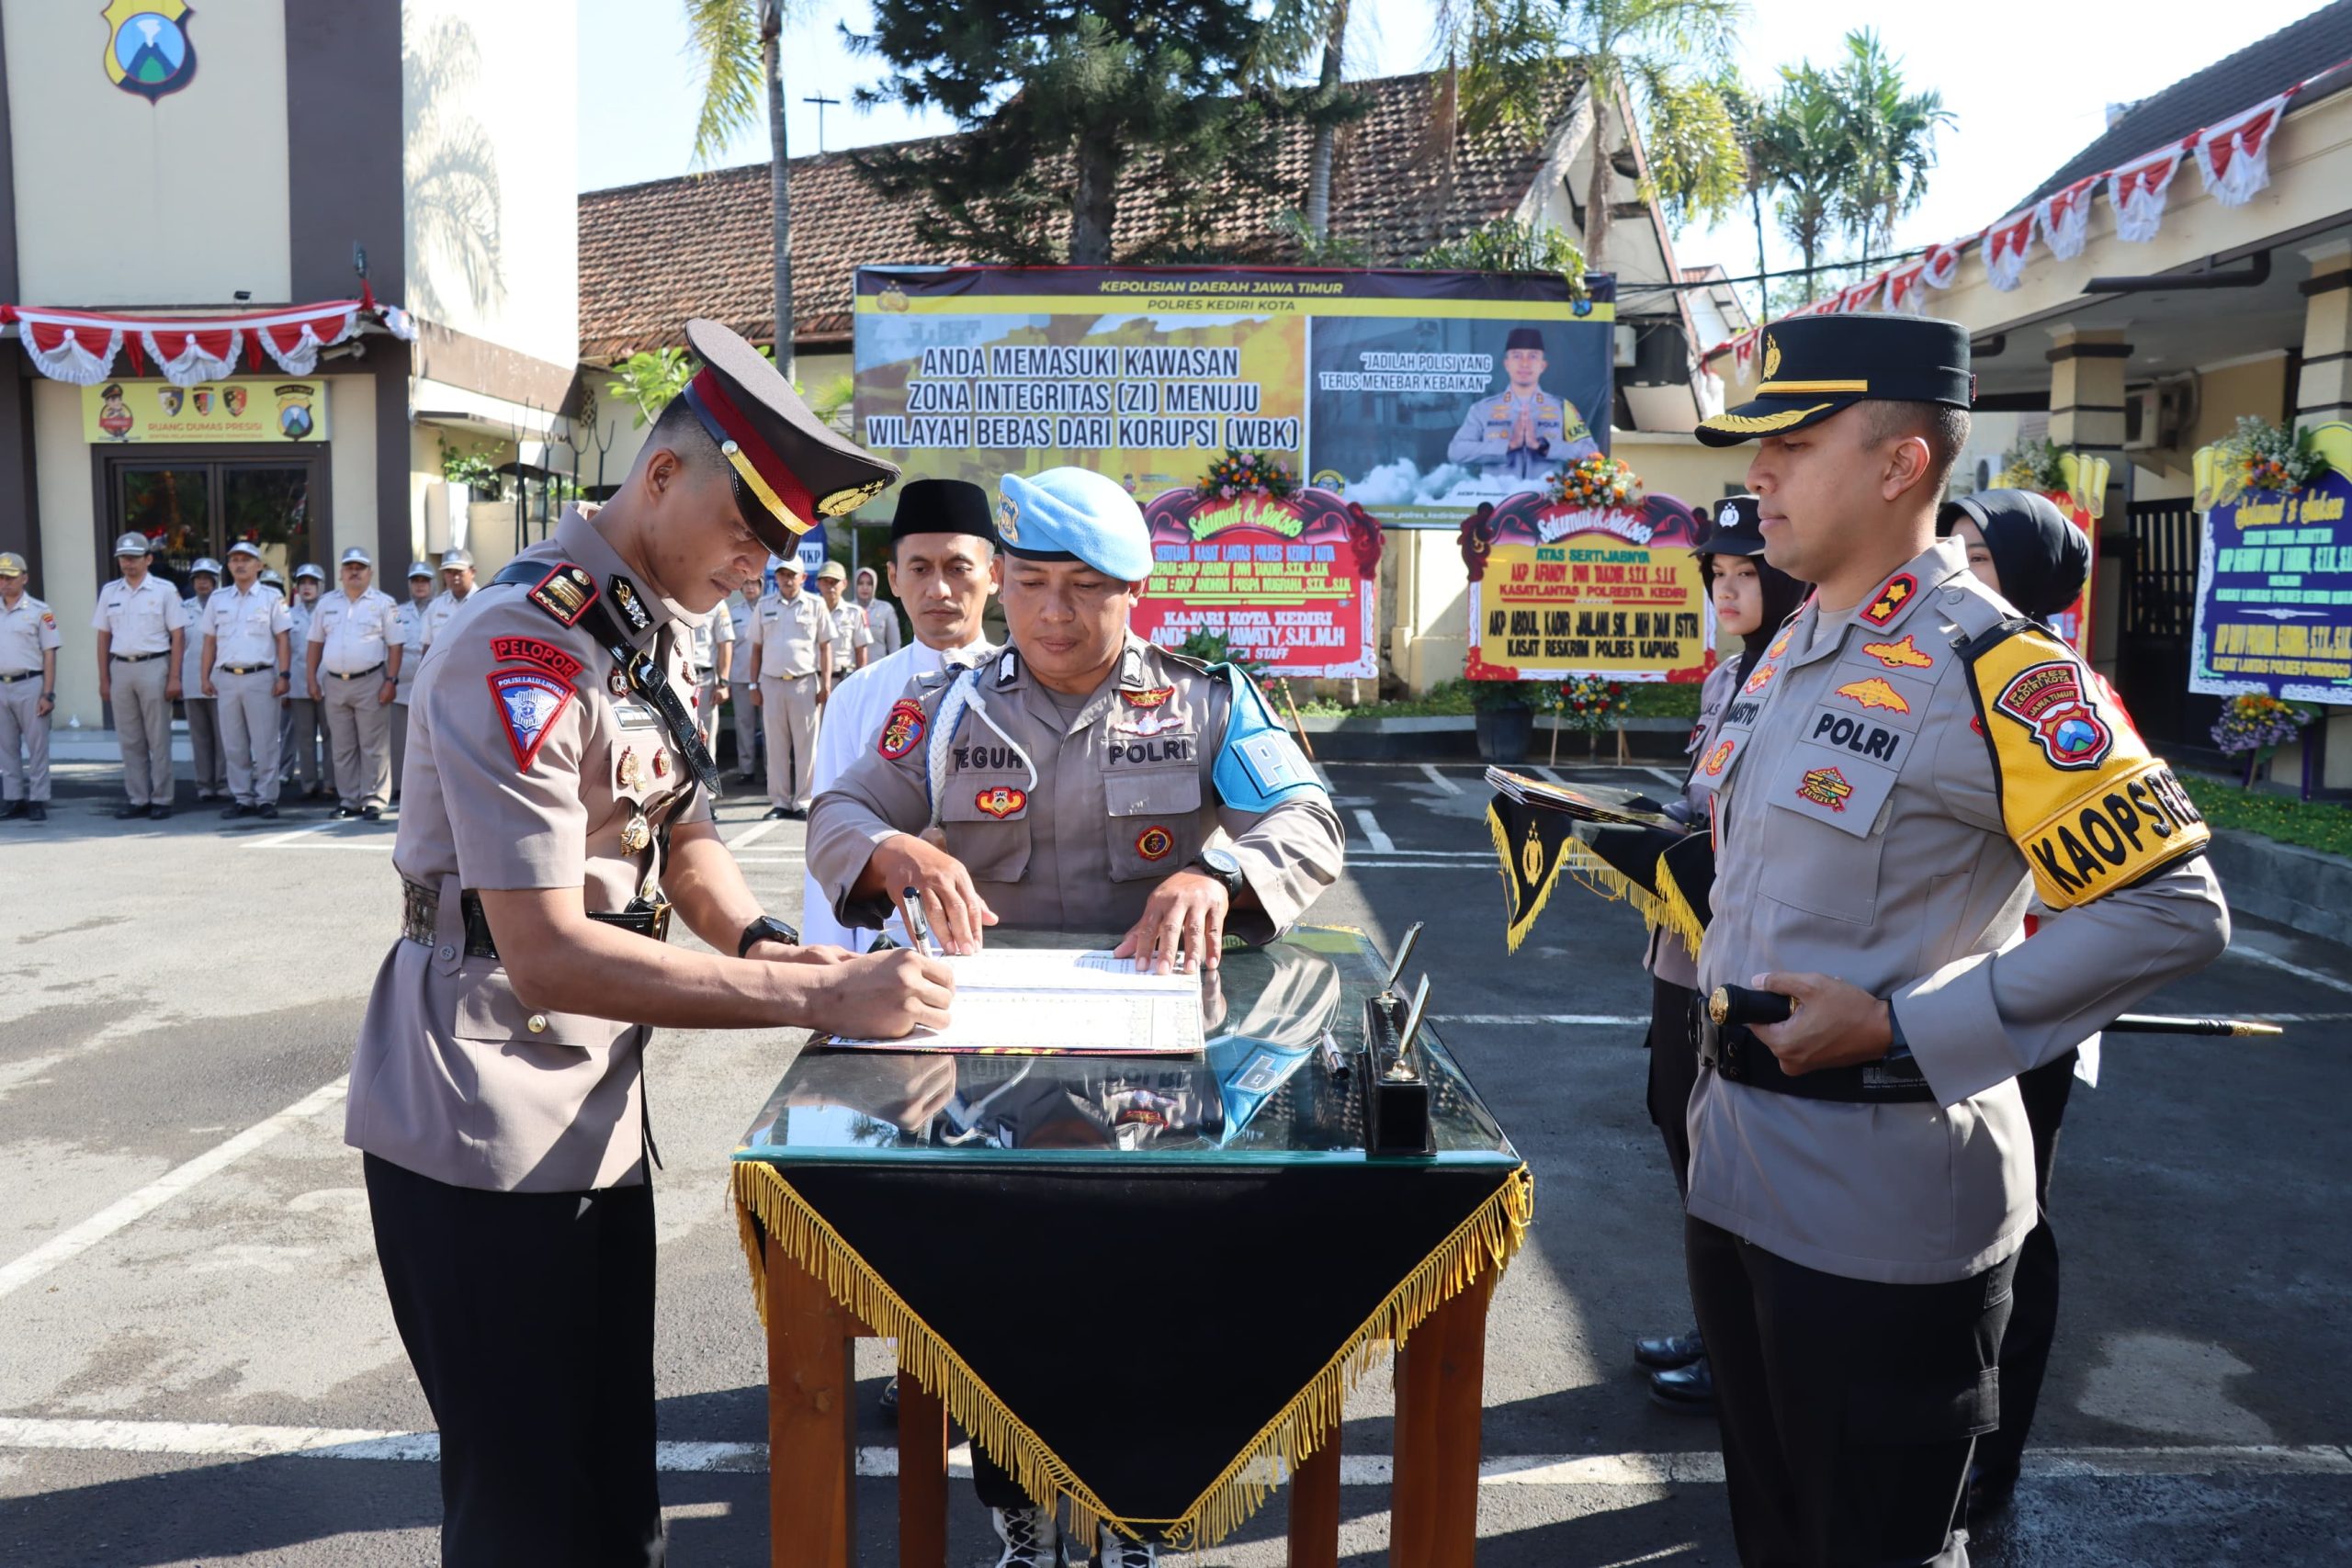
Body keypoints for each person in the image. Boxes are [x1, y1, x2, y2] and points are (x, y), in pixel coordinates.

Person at [345, 316, 946, 1567]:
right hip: (481, 1117)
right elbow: (548, 953)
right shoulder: (522, 645)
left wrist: (764, 939)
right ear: (662, 475)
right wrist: (820, 996)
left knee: (615, 1492)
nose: (756, 564)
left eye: (778, 545)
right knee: (527, 1512)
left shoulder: (635, 625)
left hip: (587, 1106)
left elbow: (683, 827)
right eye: (745, 530)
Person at [1682, 314, 2229, 1567]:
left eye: (1793, 444)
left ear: (1900, 463)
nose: (1757, 473)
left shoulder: (1998, 666)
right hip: (1738, 1174)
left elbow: (2173, 907)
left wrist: (1905, 1027)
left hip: (1883, 1212)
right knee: (1774, 1538)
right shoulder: (1794, 643)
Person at [808, 466, 1345, 1568]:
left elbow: (1307, 821)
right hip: (985, 1068)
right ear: (1001, 582)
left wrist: (1218, 872)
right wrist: (892, 847)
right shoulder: (947, 705)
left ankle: (1134, 1512)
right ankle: (1015, 1507)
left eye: (1086, 588)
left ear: (1134, 592)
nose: (1054, 612)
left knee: (1155, 1295)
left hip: (1155, 1065)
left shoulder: (1206, 701)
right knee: (997, 1300)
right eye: (1032, 583)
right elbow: (841, 809)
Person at [1934, 489, 2098, 1518]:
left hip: (2018, 1014)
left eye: (1982, 556)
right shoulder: (1936, 667)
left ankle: (1991, 1455)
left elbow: (2129, 899)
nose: (1956, 569)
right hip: (1922, 1010)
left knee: (2011, 1231)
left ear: (2029, 581)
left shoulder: (2054, 693)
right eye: (1952, 548)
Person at [1634, 496, 1808, 1416]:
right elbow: (1701, 802)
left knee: (1744, 1159)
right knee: (1680, 1125)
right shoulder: (1726, 679)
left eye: (1746, 573)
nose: (1728, 590)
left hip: (1750, 958)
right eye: (1717, 575)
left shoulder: (1803, 677)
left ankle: (1746, 1349)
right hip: (1682, 951)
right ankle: (1716, 1326)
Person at [799, 478, 1001, 952]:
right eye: (919, 568)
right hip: (889, 953)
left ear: (994, 575)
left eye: (958, 568)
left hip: (1002, 943)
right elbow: (830, 847)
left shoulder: (1027, 687)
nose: (939, 589)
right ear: (893, 578)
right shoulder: (856, 696)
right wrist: (835, 971)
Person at [92, 531, 187, 821]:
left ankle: (162, 798)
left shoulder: (164, 590)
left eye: (133, 558)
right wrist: (104, 679)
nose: (128, 563)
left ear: (148, 559)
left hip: (154, 665)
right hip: (121, 667)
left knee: (158, 738)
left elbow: (178, 635)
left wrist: (175, 677)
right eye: (123, 558)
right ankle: (138, 798)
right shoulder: (110, 592)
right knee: (129, 738)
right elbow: (103, 636)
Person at [200, 540, 295, 820]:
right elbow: (209, 642)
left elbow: (283, 639)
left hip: (260, 677)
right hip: (227, 677)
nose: (240, 564)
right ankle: (242, 797)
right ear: (228, 565)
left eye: (246, 559)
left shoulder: (271, 598)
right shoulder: (218, 599)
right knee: (234, 744)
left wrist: (284, 674)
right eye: (234, 560)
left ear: (259, 565)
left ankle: (266, 798)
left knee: (265, 743)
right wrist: (204, 676)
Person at [307, 547, 401, 820]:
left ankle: (374, 799)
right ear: (341, 573)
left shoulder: (384, 603)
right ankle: (348, 799)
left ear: (370, 573)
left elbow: (396, 645)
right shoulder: (326, 603)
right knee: (342, 745)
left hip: (371, 680)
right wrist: (311, 678)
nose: (354, 572)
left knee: (373, 745)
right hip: (334, 682)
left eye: (360, 567)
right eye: (349, 567)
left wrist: (391, 680)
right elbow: (315, 643)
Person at [1445, 326, 1601, 483]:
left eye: (1533, 356)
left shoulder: (1562, 407)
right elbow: (1456, 452)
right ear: (1506, 364)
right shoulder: (1482, 409)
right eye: (1517, 356)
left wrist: (1543, 446)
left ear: (1543, 366)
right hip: (1497, 496)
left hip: (1547, 495)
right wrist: (1509, 445)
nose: (1525, 363)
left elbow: (1591, 454)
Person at [746, 557, 831, 819]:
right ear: (777, 577)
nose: (787, 579)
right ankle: (780, 802)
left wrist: (826, 683)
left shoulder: (816, 605)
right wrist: (753, 684)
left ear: (803, 578)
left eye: (792, 574)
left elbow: (825, 647)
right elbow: (756, 649)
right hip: (771, 683)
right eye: (783, 574)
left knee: (807, 747)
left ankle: (804, 801)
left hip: (804, 683)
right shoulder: (764, 605)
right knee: (775, 745)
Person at [0, 551, 60, 824]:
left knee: (37, 747)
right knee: (5, 747)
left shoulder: (39, 611)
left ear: (24, 578)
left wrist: (48, 693)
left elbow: (50, 653)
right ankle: (13, 798)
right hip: (2, 685)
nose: (4, 583)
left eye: (10, 577)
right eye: (1, 578)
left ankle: (37, 798)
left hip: (30, 684)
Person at [282, 564, 330, 799]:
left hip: (327, 684)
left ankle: (331, 783)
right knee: (305, 737)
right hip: (299, 685)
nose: (307, 587)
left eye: (312, 583)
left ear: (321, 586)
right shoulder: (288, 615)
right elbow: (282, 652)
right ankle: (309, 784)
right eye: (303, 583)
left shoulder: (331, 612)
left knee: (331, 737)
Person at [181, 558, 227, 802]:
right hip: (190, 679)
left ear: (215, 581)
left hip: (220, 679)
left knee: (224, 736)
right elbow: (177, 645)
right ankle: (204, 785)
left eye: (207, 578)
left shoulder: (225, 605)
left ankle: (224, 783)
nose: (202, 583)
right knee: (199, 737)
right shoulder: (183, 608)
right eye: (198, 578)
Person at [390, 561, 436, 800]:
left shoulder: (439, 608)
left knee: (430, 740)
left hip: (432, 687)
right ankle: (399, 787)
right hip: (403, 685)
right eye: (415, 581)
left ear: (432, 583)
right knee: (400, 740)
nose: (420, 585)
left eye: (424, 581)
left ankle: (428, 789)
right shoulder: (398, 612)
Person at [683, 585, 735, 761]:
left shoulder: (717, 602)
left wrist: (724, 683)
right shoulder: (675, 595)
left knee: (704, 736)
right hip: (677, 676)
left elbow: (725, 644)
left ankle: (706, 779)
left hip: (704, 679)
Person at [726, 581, 762, 784]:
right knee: (744, 725)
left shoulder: (767, 608)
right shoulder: (733, 612)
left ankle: (770, 771)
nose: (749, 588)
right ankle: (746, 770)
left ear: (761, 586)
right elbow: (728, 647)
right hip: (740, 676)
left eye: (754, 584)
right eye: (746, 584)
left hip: (765, 678)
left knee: (770, 728)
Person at [815, 558, 871, 676]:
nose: (830, 586)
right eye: (826, 581)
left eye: (834, 582)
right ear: (818, 584)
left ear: (844, 584)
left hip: (843, 678)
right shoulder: (810, 611)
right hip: (815, 679)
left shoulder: (855, 613)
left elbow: (861, 650)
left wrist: (860, 680)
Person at [422, 547, 476, 649]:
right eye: (449, 571)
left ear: (472, 572)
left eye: (459, 571)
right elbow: (427, 646)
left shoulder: (484, 601)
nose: (455, 577)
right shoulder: (435, 606)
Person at [854, 564, 904, 660]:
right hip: (853, 668)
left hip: (878, 667)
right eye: (861, 583)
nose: (865, 587)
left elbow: (894, 646)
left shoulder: (885, 609)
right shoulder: (848, 610)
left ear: (875, 585)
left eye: (869, 584)